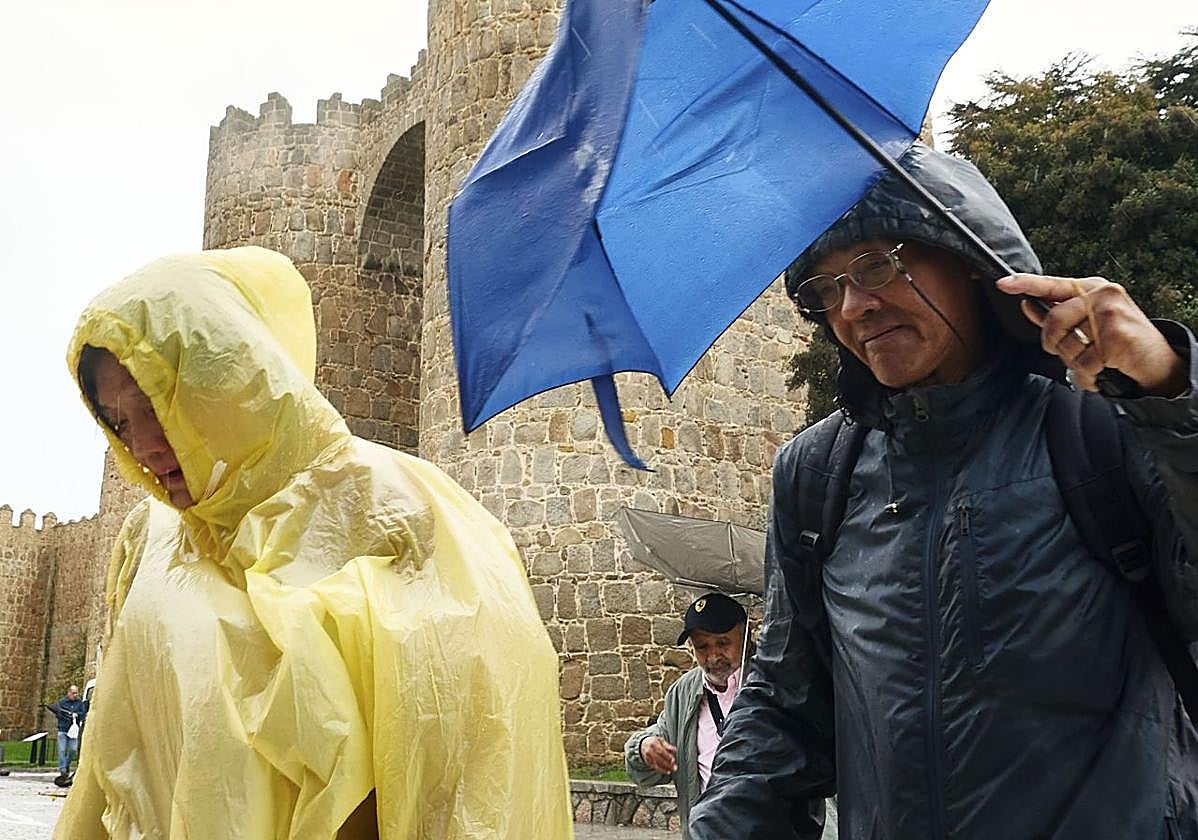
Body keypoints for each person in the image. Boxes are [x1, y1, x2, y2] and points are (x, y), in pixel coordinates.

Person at [689, 143, 1198, 840]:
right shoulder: (815, 475)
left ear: (969, 258)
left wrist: (1172, 396)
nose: (856, 307)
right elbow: (784, 706)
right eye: (826, 289)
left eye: (876, 264)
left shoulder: (1098, 428)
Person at [53, 247, 573, 839]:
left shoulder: (397, 504)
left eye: (157, 405)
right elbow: (112, 746)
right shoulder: (151, 536)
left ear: (225, 380)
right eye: (120, 423)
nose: (143, 445)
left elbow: (469, 738)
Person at [624, 592, 755, 839]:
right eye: (702, 647)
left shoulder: (774, 683)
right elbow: (660, 735)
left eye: (723, 643)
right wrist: (644, 747)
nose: (713, 656)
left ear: (746, 635)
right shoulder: (682, 693)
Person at [52, 685, 87, 779]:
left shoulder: (79, 703)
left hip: (73, 731)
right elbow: (58, 714)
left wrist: (76, 715)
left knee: (73, 749)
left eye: (76, 693)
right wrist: (65, 715)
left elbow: (82, 714)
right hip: (63, 729)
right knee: (62, 750)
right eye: (73, 693)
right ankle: (63, 770)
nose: (75, 695)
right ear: (69, 693)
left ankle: (66, 764)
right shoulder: (62, 702)